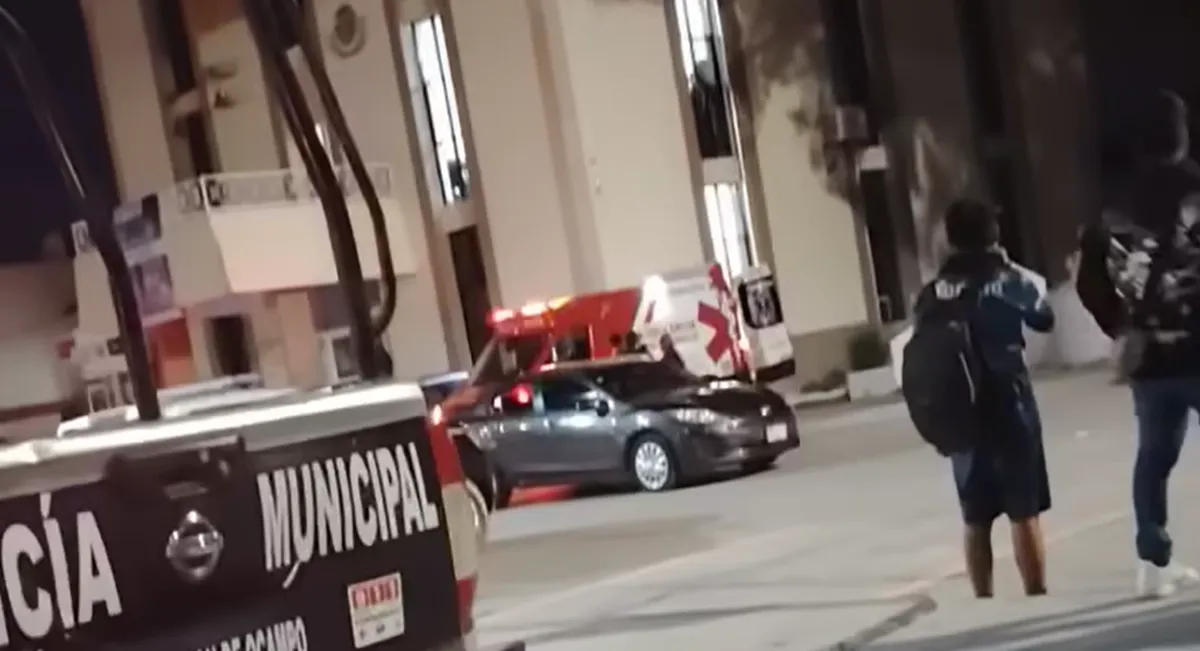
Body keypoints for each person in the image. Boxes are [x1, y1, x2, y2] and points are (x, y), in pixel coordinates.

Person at [1077, 90, 1200, 598]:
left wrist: (1123, 327)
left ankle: (1153, 564)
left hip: (1148, 359)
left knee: (1154, 458)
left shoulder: (1113, 208)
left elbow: (1089, 283)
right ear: (1181, 133)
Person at [914, 198, 1054, 598]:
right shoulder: (1006, 280)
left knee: (975, 517)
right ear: (993, 234)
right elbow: (1044, 318)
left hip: (961, 409)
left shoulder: (934, 291)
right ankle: (1035, 595)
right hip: (1011, 403)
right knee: (1023, 510)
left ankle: (983, 599)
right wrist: (1010, 267)